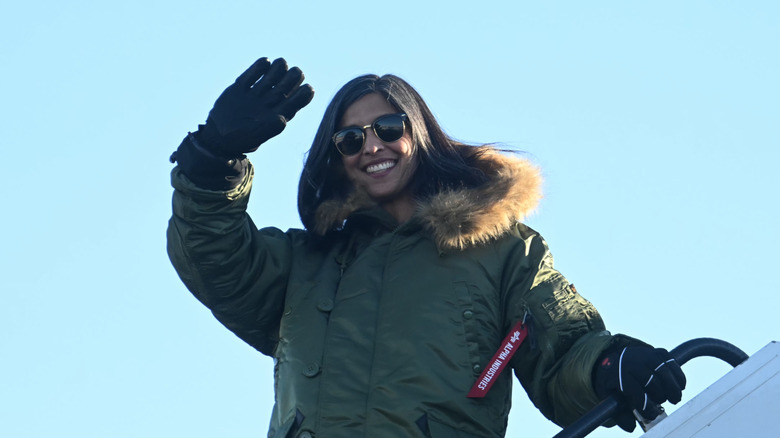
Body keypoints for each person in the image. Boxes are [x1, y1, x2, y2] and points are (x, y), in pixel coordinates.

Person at [167, 57, 686, 438]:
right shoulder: (306, 266)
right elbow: (214, 256)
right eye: (350, 139)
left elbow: (564, 351)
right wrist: (214, 156)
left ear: (419, 134)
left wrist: (608, 365)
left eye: (387, 128)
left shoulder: (501, 251)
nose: (371, 145)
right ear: (337, 158)